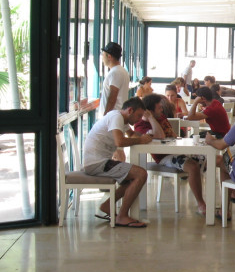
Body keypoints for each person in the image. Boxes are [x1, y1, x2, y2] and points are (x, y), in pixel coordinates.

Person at [132, 94, 209, 217]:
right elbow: (160, 135)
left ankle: (226, 200)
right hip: (164, 157)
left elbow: (172, 134)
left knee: (214, 160)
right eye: (159, 108)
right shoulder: (140, 125)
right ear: (149, 111)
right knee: (192, 166)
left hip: (177, 150)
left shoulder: (161, 116)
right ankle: (201, 204)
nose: (162, 110)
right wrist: (151, 118)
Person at [82, 97, 152, 228]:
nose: (139, 119)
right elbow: (119, 142)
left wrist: (145, 136)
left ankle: (107, 205)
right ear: (130, 110)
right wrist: (141, 140)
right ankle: (122, 216)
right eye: (138, 115)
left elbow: (131, 134)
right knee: (141, 174)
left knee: (132, 178)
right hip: (97, 163)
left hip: (99, 161)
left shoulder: (122, 120)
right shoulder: (116, 117)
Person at [98, 42, 130, 117]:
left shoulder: (115, 72)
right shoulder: (122, 71)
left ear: (109, 56)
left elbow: (113, 96)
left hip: (112, 117)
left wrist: (105, 117)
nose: (102, 59)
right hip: (116, 115)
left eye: (103, 55)